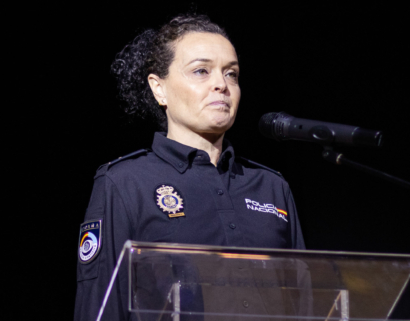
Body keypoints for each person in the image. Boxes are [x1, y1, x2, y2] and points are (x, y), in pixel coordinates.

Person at [75, 14, 306, 321]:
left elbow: (307, 302)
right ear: (159, 89)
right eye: (201, 71)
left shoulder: (271, 186)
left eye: (232, 74)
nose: (221, 85)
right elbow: (100, 306)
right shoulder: (125, 183)